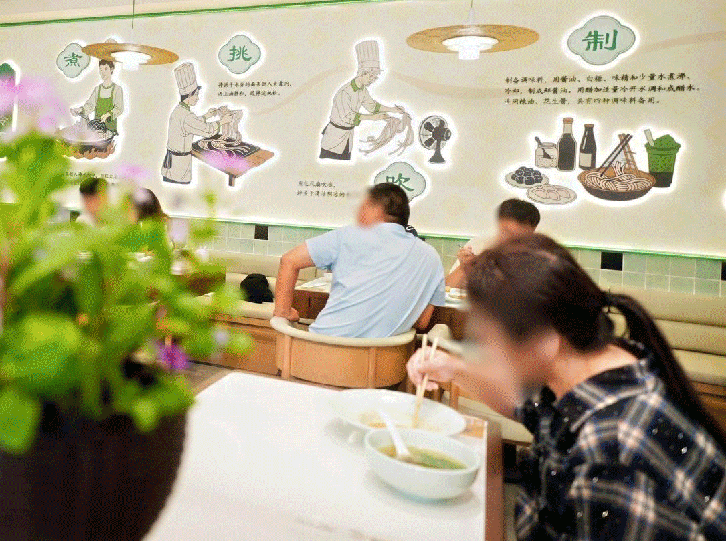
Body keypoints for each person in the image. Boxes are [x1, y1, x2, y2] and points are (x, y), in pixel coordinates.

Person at [409, 234, 726, 540]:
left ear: (545, 337)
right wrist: (453, 369)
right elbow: (528, 409)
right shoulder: (600, 367)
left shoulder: (609, 452)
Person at [273, 183, 443, 337]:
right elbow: (422, 322)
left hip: (324, 347)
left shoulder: (349, 235)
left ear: (376, 210)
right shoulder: (432, 257)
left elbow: (289, 260)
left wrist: (284, 312)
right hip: (385, 357)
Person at [319, 40, 412, 161]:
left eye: (374, 77)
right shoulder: (345, 92)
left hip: (347, 138)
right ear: (362, 73)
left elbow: (372, 106)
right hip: (334, 138)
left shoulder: (362, 90)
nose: (372, 80)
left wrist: (393, 110)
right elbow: (348, 116)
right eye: (370, 76)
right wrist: (373, 118)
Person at [446, 198, 540, 288]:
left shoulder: (540, 256)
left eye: (518, 237)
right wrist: (463, 267)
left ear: (532, 231)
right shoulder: (480, 245)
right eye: (506, 232)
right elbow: (447, 287)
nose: (509, 241)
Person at [162, 62, 230, 185]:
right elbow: (207, 130)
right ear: (189, 95)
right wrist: (222, 121)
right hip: (178, 168)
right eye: (196, 95)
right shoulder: (187, 116)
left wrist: (207, 116)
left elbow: (191, 125)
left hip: (173, 163)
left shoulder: (179, 110)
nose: (198, 98)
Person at [71, 59, 125, 136]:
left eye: (106, 69)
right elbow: (90, 105)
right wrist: (80, 110)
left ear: (112, 69)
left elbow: (119, 108)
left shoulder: (117, 89)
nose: (103, 73)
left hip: (110, 130)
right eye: (101, 70)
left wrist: (108, 114)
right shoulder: (97, 89)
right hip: (97, 129)